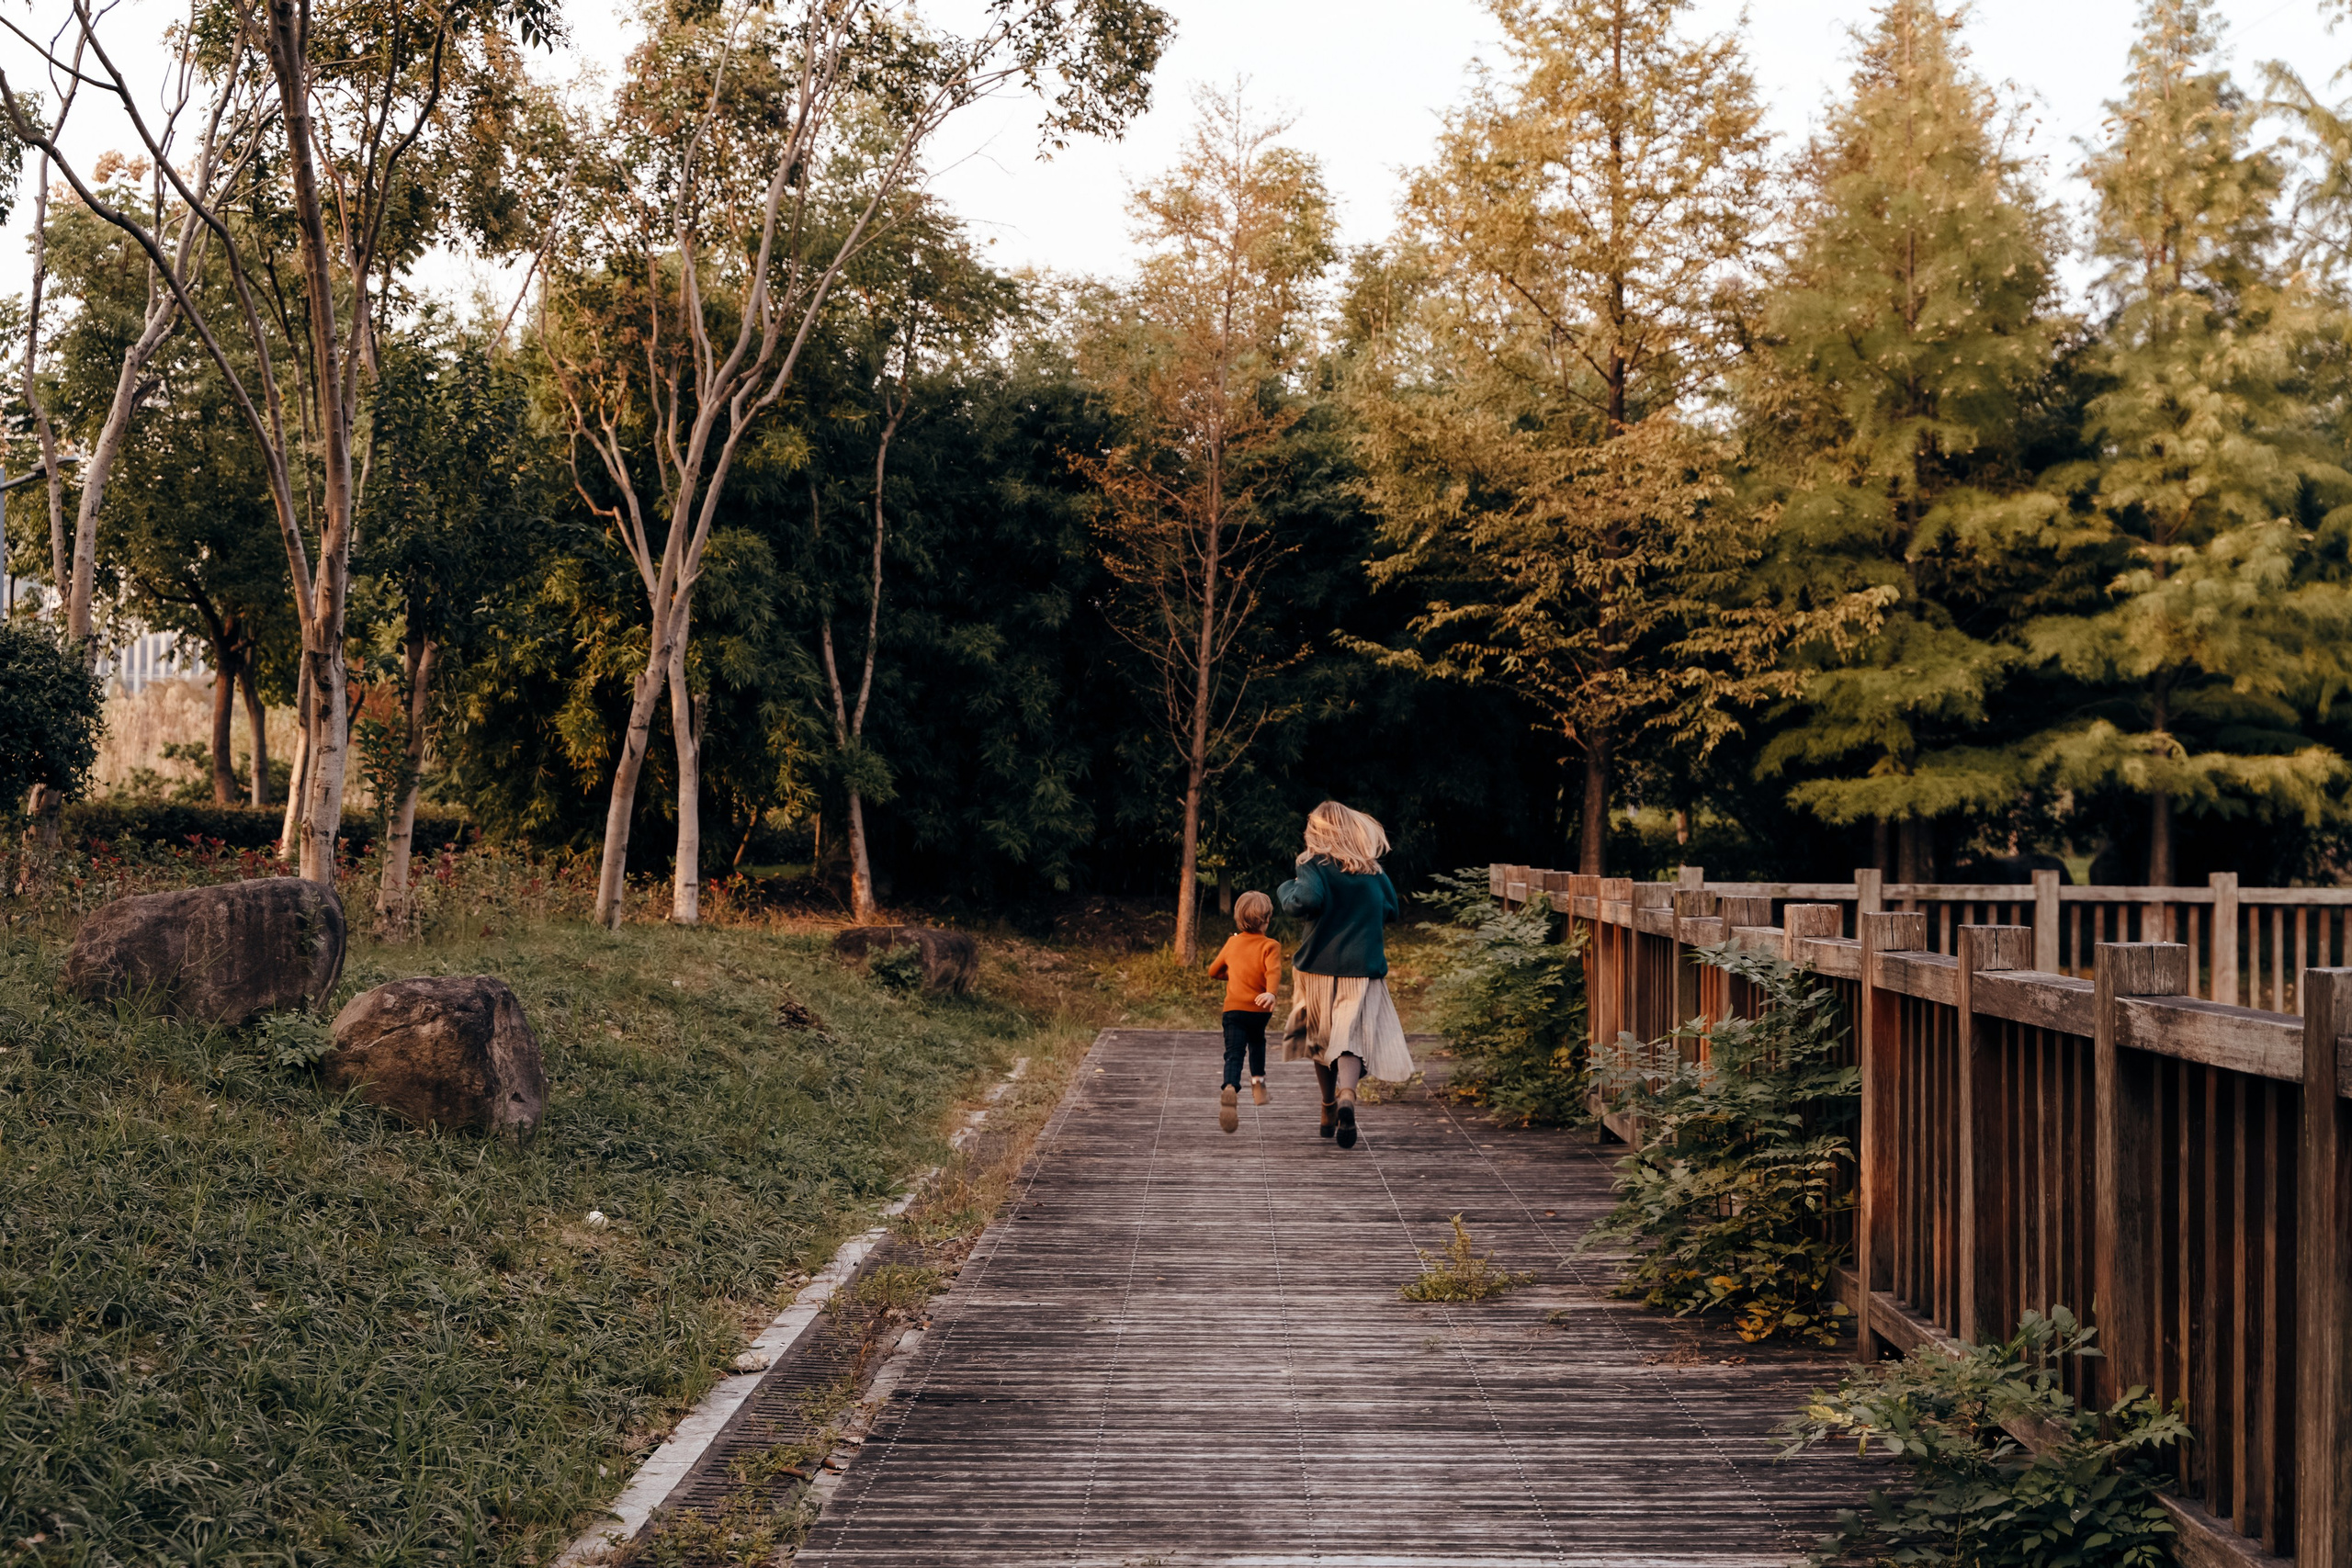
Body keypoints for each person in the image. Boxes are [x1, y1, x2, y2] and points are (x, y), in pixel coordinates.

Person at [1277, 801, 1413, 1149]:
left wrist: (1284, 890)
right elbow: (1392, 910)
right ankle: (1348, 1096)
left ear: (1318, 831)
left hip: (1317, 967)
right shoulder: (1372, 869)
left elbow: (1306, 900)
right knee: (1349, 1037)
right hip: (1361, 969)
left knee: (1320, 1040)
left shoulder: (1311, 863)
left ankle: (1327, 1107)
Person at [1205, 891, 1282, 1134]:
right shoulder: (1270, 945)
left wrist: (1234, 974)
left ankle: (1229, 1086)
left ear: (1239, 919)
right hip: (1258, 1010)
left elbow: (1213, 971)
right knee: (1257, 1043)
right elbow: (1273, 972)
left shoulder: (1232, 943)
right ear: (1267, 919)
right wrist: (1270, 993)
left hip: (1233, 1010)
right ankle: (1258, 1083)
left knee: (1234, 1053)